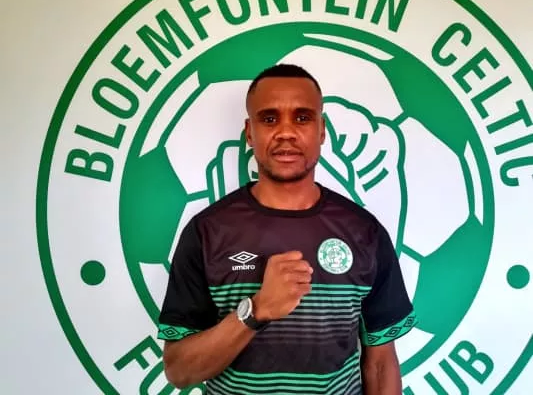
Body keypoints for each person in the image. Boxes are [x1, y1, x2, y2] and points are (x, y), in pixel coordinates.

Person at [157, 64, 417, 394]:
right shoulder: (206, 232)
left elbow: (380, 363)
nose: (285, 132)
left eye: (302, 118)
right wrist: (256, 310)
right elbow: (179, 371)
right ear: (249, 132)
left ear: (322, 131)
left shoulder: (365, 232)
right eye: (269, 119)